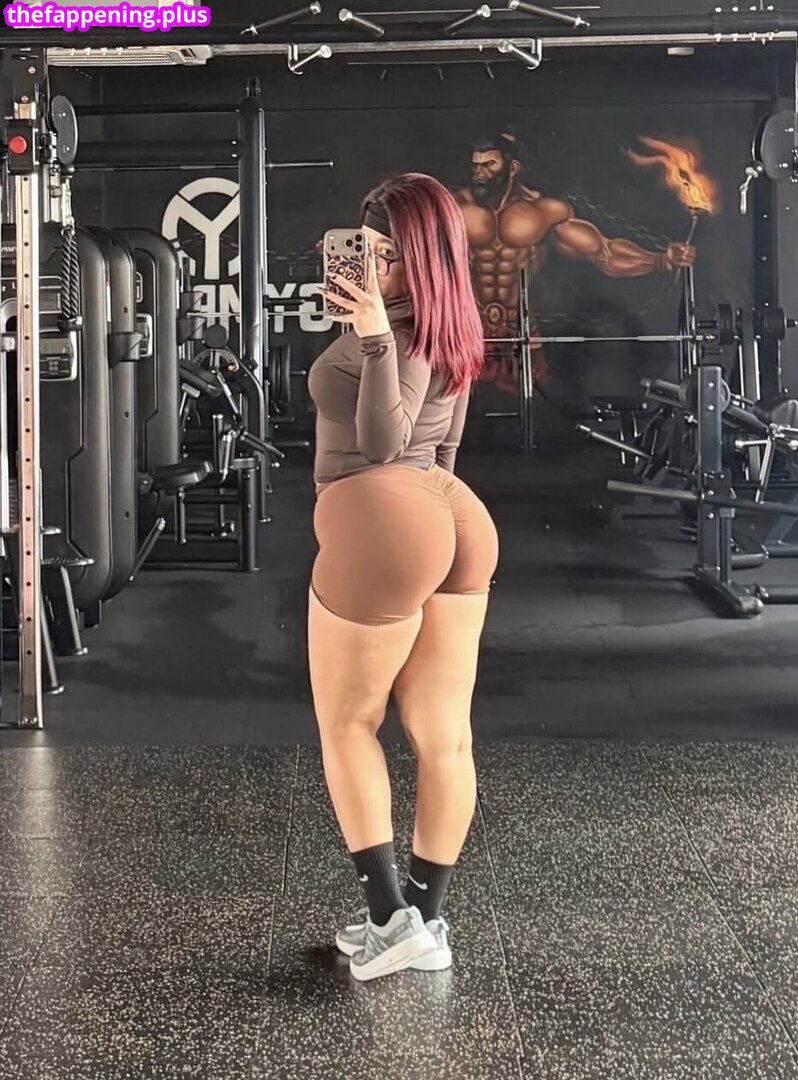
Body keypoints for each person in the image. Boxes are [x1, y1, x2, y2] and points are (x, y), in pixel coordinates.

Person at [308, 173, 500, 983]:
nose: (374, 264)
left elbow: (384, 444)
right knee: (443, 732)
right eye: (366, 248)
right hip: (451, 512)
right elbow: (444, 446)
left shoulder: (398, 332)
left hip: (383, 508)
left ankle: (390, 921)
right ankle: (424, 918)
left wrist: (374, 336)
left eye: (389, 253)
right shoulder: (450, 323)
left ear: (423, 256)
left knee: (349, 723)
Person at [453, 132, 697, 389]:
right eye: (476, 166)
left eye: (489, 165)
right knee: (459, 405)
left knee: (532, 402)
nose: (479, 173)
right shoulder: (454, 207)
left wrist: (659, 260)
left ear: (512, 168)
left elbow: (604, 253)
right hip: (467, 329)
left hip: (521, 332)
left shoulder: (543, 211)